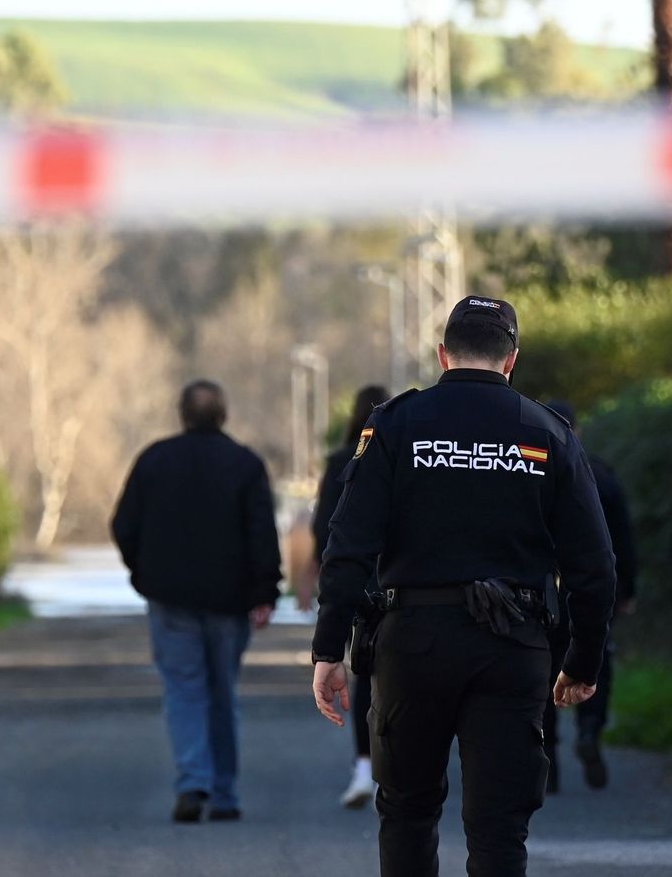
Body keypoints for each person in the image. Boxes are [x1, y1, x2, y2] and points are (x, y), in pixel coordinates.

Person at [311, 295, 616, 877]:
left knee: (406, 812)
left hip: (413, 642)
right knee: (500, 827)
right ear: (512, 360)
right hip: (513, 646)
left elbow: (348, 546)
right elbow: (595, 564)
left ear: (443, 355)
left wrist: (330, 649)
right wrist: (582, 660)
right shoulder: (546, 432)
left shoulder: (397, 424)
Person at [110, 379, 282, 824]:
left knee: (184, 691)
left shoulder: (153, 461)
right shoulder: (245, 465)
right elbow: (262, 533)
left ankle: (192, 783)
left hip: (170, 601)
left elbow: (124, 525)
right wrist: (265, 591)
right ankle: (224, 794)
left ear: (182, 415)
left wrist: (143, 575)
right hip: (230, 603)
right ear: (223, 415)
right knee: (223, 693)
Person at [540, 399, 638, 794]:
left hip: (542, 594)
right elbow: (623, 541)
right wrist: (626, 589)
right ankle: (590, 731)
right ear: (577, 430)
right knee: (595, 663)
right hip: (594, 589)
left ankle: (547, 759)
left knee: (543, 670)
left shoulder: (527, 470)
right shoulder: (602, 475)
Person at [312, 383, 392, 809]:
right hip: (394, 583)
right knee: (394, 676)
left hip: (351, 583)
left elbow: (325, 526)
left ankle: (364, 765)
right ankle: (391, 768)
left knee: (361, 672)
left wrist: (319, 584)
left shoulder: (339, 462)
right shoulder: (402, 453)